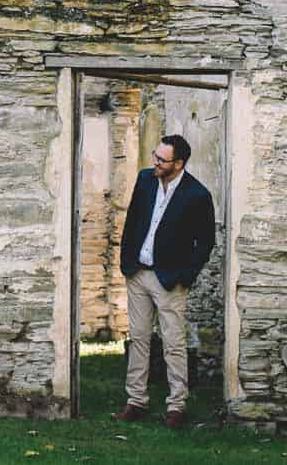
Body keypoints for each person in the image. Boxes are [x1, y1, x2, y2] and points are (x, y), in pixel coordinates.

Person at [114, 133, 216, 429]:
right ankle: (135, 401)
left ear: (179, 163)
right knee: (139, 338)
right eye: (155, 156)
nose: (155, 162)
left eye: (162, 159)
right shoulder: (145, 179)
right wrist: (126, 262)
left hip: (171, 280)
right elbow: (133, 220)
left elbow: (205, 242)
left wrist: (186, 276)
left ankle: (177, 405)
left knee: (174, 342)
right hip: (138, 273)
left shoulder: (197, 195)